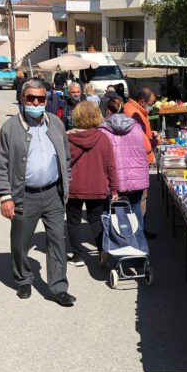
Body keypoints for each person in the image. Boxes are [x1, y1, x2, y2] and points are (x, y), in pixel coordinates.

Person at [0, 79, 75, 306]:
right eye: (31, 98)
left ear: (46, 100)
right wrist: (5, 196)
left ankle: (58, 286)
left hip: (53, 194)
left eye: (41, 98)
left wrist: (65, 182)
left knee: (57, 241)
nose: (36, 102)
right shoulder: (10, 129)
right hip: (24, 195)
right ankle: (23, 278)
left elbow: (66, 158)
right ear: (22, 99)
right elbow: (0, 165)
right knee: (20, 241)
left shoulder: (57, 124)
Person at [66, 101, 119, 266]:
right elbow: (111, 165)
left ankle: (77, 255)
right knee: (96, 220)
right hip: (97, 185)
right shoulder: (103, 138)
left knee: (73, 220)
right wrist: (114, 189)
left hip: (73, 186)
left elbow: (62, 162)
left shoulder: (67, 138)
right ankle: (102, 250)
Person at [99, 99, 149, 232]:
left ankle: (118, 244)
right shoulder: (137, 126)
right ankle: (138, 243)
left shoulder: (102, 130)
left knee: (113, 213)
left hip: (113, 180)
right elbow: (148, 148)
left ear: (108, 111)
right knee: (136, 209)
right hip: (135, 179)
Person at [123, 87, 159, 238]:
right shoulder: (135, 113)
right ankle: (139, 233)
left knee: (137, 201)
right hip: (137, 161)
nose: (151, 106)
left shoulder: (131, 108)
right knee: (140, 200)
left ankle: (139, 231)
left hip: (134, 160)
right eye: (150, 103)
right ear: (142, 102)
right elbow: (140, 140)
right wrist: (155, 141)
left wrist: (151, 135)